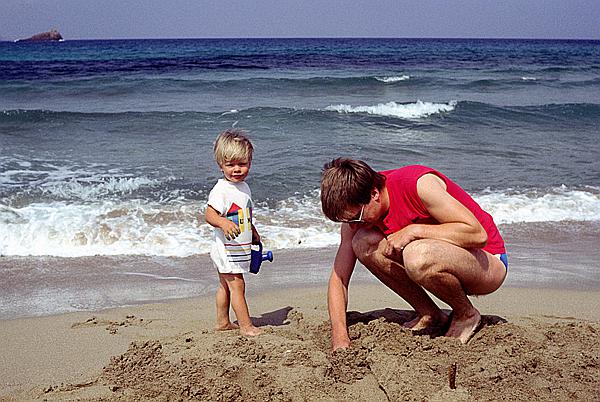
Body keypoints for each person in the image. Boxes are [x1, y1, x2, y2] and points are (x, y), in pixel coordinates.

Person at [320, 158, 508, 350]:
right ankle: (429, 313)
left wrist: (413, 231)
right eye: (345, 220)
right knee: (362, 242)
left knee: (416, 254)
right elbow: (339, 277)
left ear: (374, 193)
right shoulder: (356, 215)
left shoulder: (417, 184)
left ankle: (466, 314)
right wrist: (340, 337)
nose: (352, 225)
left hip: (488, 262)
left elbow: (477, 235)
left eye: (356, 218)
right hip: (441, 261)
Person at [205, 129, 262, 336]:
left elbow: (242, 213)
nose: (237, 170)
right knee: (237, 284)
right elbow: (209, 215)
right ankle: (246, 326)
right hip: (226, 250)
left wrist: (252, 229)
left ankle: (222, 322)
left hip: (237, 247)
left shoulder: (244, 188)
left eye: (242, 164)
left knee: (225, 286)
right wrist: (222, 223)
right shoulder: (221, 190)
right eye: (230, 165)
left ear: (250, 162)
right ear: (221, 165)